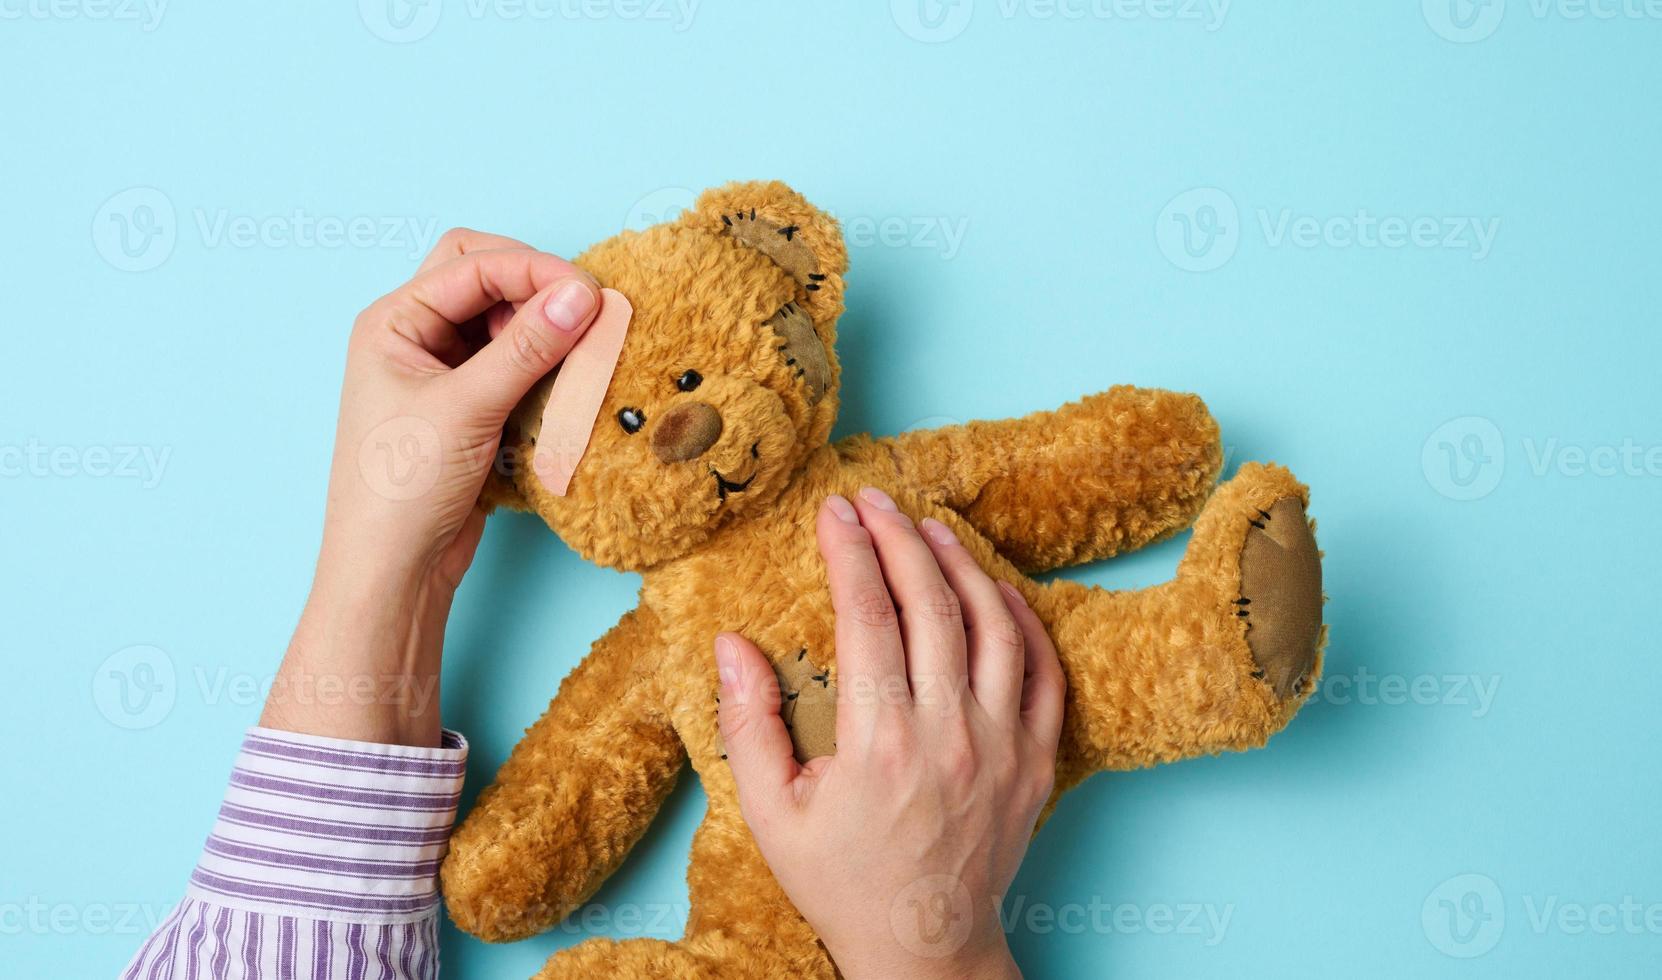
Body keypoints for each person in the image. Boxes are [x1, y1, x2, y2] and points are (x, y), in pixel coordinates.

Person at [120, 231, 1065, 980]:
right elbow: (570, 783)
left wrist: (388, 568)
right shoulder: (669, 627)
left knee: (1148, 663)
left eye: (689, 382)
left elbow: (278, 948)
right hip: (824, 874)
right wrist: (927, 946)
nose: (684, 425)